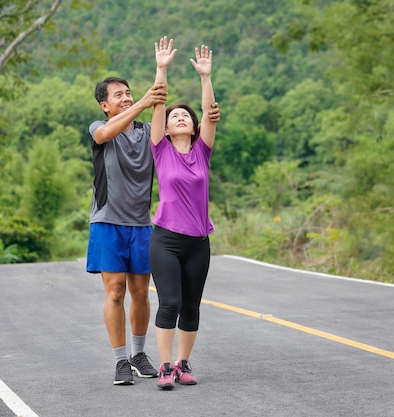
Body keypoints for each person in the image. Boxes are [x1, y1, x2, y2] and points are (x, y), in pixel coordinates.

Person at [87, 54, 220, 385]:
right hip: (107, 221)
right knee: (115, 291)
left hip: (143, 224)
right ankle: (120, 360)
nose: (126, 97)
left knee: (142, 293)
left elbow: (170, 118)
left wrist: (172, 87)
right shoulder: (100, 127)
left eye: (128, 93)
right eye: (118, 95)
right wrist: (145, 101)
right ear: (105, 105)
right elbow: (105, 135)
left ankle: (139, 354)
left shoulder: (150, 134)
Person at [149, 37, 217, 390]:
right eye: (174, 116)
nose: (178, 117)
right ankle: (164, 367)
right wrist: (162, 68)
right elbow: (158, 104)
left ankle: (183, 363)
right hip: (166, 240)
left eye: (184, 116)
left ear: (192, 127)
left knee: (191, 305)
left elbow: (209, 113)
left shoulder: (203, 151)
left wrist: (206, 77)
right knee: (170, 302)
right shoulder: (161, 150)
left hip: (198, 242)